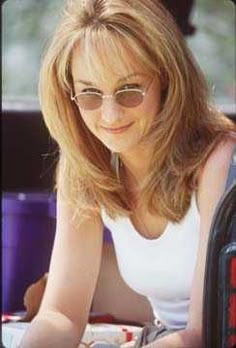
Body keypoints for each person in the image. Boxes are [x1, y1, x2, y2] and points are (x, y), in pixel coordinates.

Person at [19, 0, 235, 347]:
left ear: (166, 81)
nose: (110, 115)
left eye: (130, 90)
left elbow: (205, 332)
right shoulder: (84, 166)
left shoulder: (219, 160)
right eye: (89, 94)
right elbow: (61, 314)